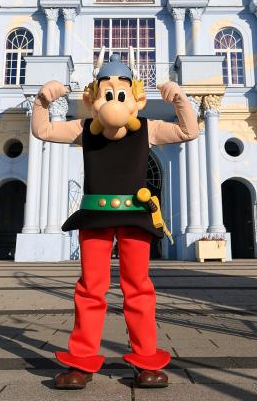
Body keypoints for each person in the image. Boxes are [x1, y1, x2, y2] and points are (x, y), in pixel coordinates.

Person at [31, 51, 198, 389]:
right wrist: (40, 101)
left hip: (136, 217)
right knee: (90, 290)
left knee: (138, 289)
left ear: (135, 99)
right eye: (107, 93)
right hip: (94, 216)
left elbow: (188, 131)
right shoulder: (84, 129)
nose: (114, 100)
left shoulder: (147, 129)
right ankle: (80, 362)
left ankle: (145, 360)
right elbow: (43, 131)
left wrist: (180, 99)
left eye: (120, 93)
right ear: (94, 98)